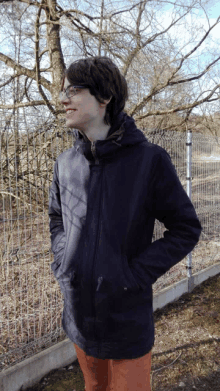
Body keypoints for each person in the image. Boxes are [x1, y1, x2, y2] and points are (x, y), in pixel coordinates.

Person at [48, 56, 202, 391]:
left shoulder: (150, 161)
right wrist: (64, 263)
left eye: (73, 90)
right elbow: (56, 218)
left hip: (126, 322)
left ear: (104, 98)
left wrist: (133, 275)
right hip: (79, 320)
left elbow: (186, 228)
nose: (63, 99)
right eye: (63, 91)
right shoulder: (64, 165)